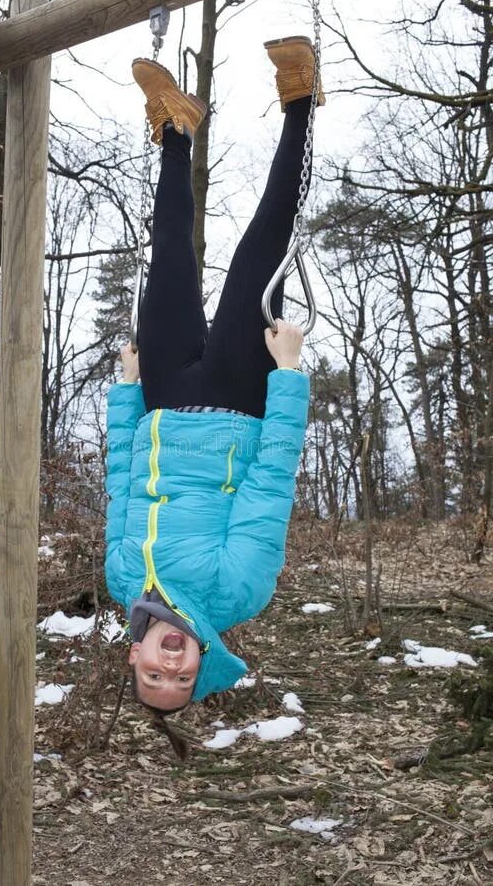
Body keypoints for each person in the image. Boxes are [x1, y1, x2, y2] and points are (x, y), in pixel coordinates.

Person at [105, 37, 324, 714]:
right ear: (203, 657)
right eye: (181, 678)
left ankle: (175, 126)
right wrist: (286, 374)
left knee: (167, 253)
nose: (169, 669)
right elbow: (271, 477)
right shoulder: (238, 592)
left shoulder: (120, 578)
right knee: (259, 248)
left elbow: (120, 480)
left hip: (163, 400)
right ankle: (300, 104)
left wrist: (125, 394)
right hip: (237, 400)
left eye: (153, 678)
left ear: (134, 655)